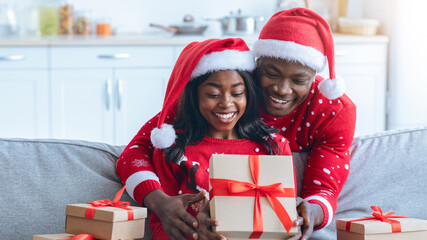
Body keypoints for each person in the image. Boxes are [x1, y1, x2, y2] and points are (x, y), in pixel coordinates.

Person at [117, 8, 356, 240]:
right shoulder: (229, 78)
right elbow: (140, 148)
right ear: (256, 65)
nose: (281, 89)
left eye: (299, 79)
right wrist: (160, 203)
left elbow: (324, 185)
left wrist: (311, 212)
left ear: (314, 76)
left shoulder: (332, 112)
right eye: (271, 74)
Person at [146, 38, 293, 239]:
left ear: (248, 95)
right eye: (213, 94)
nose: (226, 103)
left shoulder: (274, 146)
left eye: (237, 93)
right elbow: (161, 227)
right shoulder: (173, 148)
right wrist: (196, 231)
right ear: (195, 96)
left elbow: (282, 217)